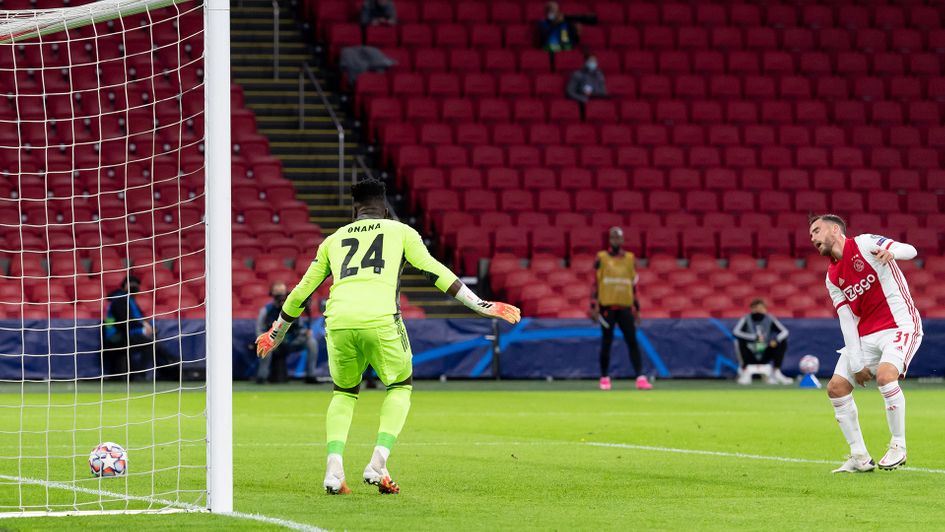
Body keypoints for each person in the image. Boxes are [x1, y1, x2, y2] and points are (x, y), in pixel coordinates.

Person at [255, 178, 520, 495]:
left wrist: (277, 332)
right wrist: (480, 304)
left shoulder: (334, 240)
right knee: (400, 385)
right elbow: (434, 271)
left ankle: (334, 469)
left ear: (355, 209)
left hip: (338, 320)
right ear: (384, 208)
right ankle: (378, 461)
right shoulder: (401, 232)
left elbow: (300, 292)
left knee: (344, 393)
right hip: (380, 319)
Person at [808, 214, 923, 473]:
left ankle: (898, 445)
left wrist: (893, 253)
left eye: (816, 230)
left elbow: (910, 250)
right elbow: (847, 320)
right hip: (866, 335)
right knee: (836, 388)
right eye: (811, 234)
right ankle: (859, 456)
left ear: (835, 230)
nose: (812, 237)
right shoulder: (832, 277)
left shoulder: (865, 243)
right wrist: (857, 362)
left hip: (900, 324)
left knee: (885, 376)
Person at [590, 227, 651, 391]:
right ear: (609, 240)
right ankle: (604, 378)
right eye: (612, 238)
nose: (615, 241)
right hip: (607, 308)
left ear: (623, 240)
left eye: (618, 238)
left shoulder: (630, 259)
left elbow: (633, 285)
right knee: (606, 342)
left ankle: (640, 377)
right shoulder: (601, 258)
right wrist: (593, 305)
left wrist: (637, 308)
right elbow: (595, 282)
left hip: (625, 307)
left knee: (632, 342)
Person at [103, 275, 177, 381]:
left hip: (129, 333)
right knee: (150, 344)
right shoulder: (119, 300)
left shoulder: (131, 300)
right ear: (124, 286)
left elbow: (139, 318)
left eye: (136, 285)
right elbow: (124, 322)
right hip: (117, 336)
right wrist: (142, 327)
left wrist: (148, 327)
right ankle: (141, 374)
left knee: (154, 342)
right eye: (131, 284)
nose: (134, 287)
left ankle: (170, 365)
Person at [255, 281, 313, 384]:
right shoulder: (266, 310)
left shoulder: (293, 309)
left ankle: (310, 376)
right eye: (277, 293)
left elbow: (300, 327)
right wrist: (265, 339)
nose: (281, 296)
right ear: (272, 293)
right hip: (273, 341)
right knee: (264, 345)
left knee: (311, 342)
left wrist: (305, 332)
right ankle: (262, 377)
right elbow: (259, 329)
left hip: (291, 341)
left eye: (282, 292)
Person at [732, 299, 792, 385]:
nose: (758, 310)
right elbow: (735, 332)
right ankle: (744, 371)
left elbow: (785, 331)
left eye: (761, 308)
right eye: (756, 308)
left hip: (764, 351)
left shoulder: (770, 318)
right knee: (739, 340)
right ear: (751, 309)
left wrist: (775, 340)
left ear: (765, 309)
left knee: (782, 341)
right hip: (750, 352)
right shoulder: (746, 318)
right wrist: (753, 337)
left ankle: (777, 371)